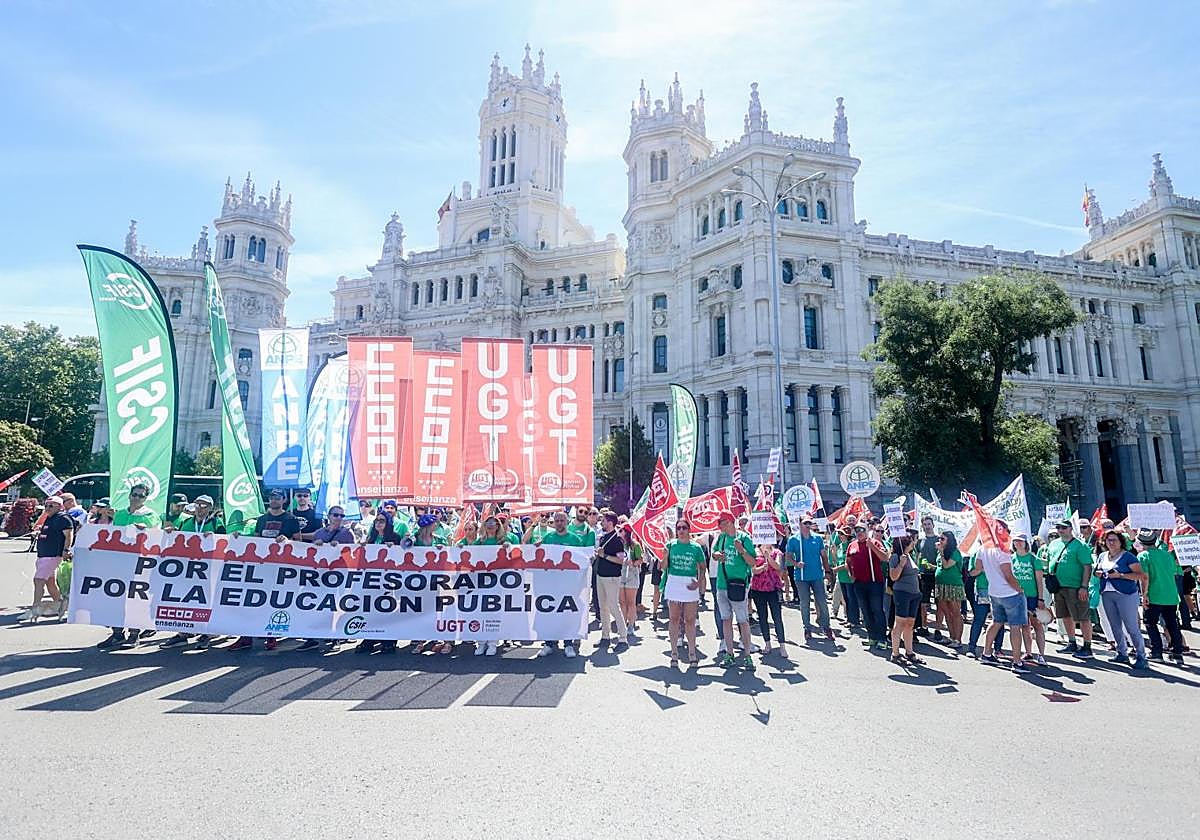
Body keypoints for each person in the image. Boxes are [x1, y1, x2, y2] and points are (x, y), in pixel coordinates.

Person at [228, 490, 301, 652]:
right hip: (261, 566)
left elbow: (299, 542)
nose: (274, 500)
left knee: (273, 602)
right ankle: (246, 637)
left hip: (280, 567)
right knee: (252, 601)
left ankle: (271, 635)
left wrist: (288, 541)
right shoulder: (262, 519)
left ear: (284, 500)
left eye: (277, 498)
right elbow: (256, 540)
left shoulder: (291, 519)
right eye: (271, 498)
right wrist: (240, 538)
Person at [97, 484, 161, 649]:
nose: (136, 498)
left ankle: (134, 634)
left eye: (140, 496)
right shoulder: (120, 514)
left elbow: (157, 538)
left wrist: (146, 531)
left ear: (146, 498)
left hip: (140, 563)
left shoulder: (150, 516)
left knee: (135, 599)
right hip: (119, 562)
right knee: (116, 597)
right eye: (134, 494)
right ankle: (117, 633)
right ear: (129, 495)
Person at [536, 511, 587, 658]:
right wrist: (536, 547)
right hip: (551, 583)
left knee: (567, 613)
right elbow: (540, 557)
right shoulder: (548, 538)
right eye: (557, 520)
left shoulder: (575, 539)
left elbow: (582, 559)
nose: (559, 523)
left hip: (569, 584)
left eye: (562, 520)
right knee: (550, 613)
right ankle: (549, 643)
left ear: (567, 521)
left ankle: (568, 644)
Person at [1095, 530, 1148, 669]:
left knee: (1131, 626)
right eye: (1108, 540)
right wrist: (1099, 573)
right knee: (1114, 625)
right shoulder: (1102, 556)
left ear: (1120, 542)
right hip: (1107, 593)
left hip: (1126, 594)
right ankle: (1122, 653)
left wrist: (1120, 575)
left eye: (1114, 540)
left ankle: (1141, 656)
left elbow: (1140, 575)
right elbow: (1096, 570)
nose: (1111, 543)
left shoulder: (1128, 557)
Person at [712, 511, 756, 670]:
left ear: (729, 522)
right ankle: (729, 654)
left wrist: (742, 550)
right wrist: (717, 555)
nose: (719, 526)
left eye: (721, 523)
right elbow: (714, 554)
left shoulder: (744, 538)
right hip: (722, 584)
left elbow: (752, 562)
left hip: (738, 586)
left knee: (743, 621)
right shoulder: (721, 538)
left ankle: (747, 656)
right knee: (726, 620)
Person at [978, 535, 1029, 673]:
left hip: (994, 591)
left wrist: (992, 574)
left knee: (996, 622)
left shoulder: (983, 548)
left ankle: (986, 653)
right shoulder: (1003, 550)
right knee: (1015, 627)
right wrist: (1019, 589)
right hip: (1009, 593)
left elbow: (978, 567)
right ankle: (1017, 662)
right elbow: (1008, 575)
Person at [1047, 519, 1095, 658]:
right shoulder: (1054, 544)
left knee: (1083, 617)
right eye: (1058, 527)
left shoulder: (1080, 545)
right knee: (1065, 616)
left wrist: (1084, 586)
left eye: (1064, 527)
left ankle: (1087, 646)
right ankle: (1072, 642)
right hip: (1058, 587)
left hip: (1076, 587)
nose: (1060, 530)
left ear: (1070, 528)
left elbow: (1087, 567)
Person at [21, 496, 73, 622]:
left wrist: (66, 550)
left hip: (52, 555)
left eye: (51, 506)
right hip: (44, 554)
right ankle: (60, 604)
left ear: (60, 506)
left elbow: (68, 535)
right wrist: (39, 533)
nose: (47, 508)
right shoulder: (50, 518)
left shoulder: (63, 518)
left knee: (38, 580)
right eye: (46, 505)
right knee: (50, 582)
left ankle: (35, 609)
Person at [1138, 529, 1185, 665]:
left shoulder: (1143, 556)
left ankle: (1156, 652)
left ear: (1141, 543)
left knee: (1150, 623)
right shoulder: (1167, 555)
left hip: (1154, 595)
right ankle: (1178, 653)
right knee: (1172, 624)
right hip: (1170, 595)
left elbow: (1144, 578)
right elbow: (1174, 572)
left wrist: (1144, 595)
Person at [663, 519, 706, 667]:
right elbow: (663, 567)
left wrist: (699, 582)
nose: (681, 530)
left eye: (684, 528)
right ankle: (674, 653)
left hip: (689, 584)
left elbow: (702, 567)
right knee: (674, 619)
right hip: (674, 582)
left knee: (690, 620)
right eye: (678, 528)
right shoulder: (670, 545)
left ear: (689, 530)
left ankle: (692, 653)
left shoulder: (696, 547)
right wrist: (664, 555)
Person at [786, 518, 833, 642]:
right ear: (800, 524)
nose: (808, 525)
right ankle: (807, 628)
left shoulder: (817, 538)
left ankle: (827, 627)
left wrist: (827, 571)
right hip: (801, 577)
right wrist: (796, 564)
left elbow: (824, 556)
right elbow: (788, 557)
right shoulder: (793, 539)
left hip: (817, 576)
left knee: (822, 602)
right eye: (805, 523)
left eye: (809, 523)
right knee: (805, 603)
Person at [847, 523, 890, 651]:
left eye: (862, 529)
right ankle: (872, 637)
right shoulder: (852, 545)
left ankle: (882, 639)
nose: (859, 532)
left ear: (867, 530)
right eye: (857, 530)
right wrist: (850, 574)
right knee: (865, 611)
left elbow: (885, 558)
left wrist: (873, 547)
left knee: (877, 610)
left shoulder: (875, 542)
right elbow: (848, 561)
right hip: (859, 583)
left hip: (874, 582)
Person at [1009, 534, 1047, 666]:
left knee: (1037, 625)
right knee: (1024, 625)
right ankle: (1028, 652)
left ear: (1026, 543)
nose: (1018, 544)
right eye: (1016, 541)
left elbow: (1039, 581)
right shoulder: (1011, 558)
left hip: (1032, 596)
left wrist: (1040, 598)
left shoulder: (1033, 559)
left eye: (1021, 541)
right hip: (1017, 596)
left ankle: (1041, 654)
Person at [594, 511, 630, 652]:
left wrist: (605, 556)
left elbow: (621, 560)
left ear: (610, 522)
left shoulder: (617, 540)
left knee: (613, 606)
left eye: (603, 520)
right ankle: (605, 636)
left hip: (612, 577)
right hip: (601, 575)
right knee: (603, 607)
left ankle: (623, 638)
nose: (601, 523)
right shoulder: (604, 537)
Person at [888, 532, 925, 665]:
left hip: (914, 593)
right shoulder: (896, 557)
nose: (913, 543)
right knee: (900, 623)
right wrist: (901, 565)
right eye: (911, 541)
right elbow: (893, 576)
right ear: (905, 544)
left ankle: (909, 652)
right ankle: (895, 653)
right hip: (902, 593)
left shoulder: (909, 555)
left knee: (910, 624)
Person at [750, 545, 789, 659]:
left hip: (773, 588)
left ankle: (782, 645)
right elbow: (753, 570)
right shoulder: (755, 552)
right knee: (762, 617)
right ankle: (767, 643)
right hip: (758, 589)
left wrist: (768, 557)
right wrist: (762, 568)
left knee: (777, 617)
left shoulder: (777, 552)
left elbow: (778, 567)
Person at [933, 531, 965, 648]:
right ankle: (952, 637)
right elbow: (940, 566)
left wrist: (941, 552)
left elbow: (947, 565)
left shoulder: (955, 552)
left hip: (953, 585)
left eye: (942, 539)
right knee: (946, 612)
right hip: (941, 584)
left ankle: (958, 639)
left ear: (949, 541)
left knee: (955, 612)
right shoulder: (940, 552)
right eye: (939, 538)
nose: (940, 541)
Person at [830, 525, 860, 630]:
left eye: (842, 534)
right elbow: (837, 561)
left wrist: (837, 569)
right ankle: (849, 619)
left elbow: (849, 563)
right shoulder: (839, 546)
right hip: (842, 577)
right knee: (846, 599)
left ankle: (854, 620)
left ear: (847, 536)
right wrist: (833, 552)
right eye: (839, 533)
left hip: (849, 577)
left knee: (852, 599)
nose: (839, 535)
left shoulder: (851, 546)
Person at [915, 516, 940, 635]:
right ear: (922, 526)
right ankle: (924, 627)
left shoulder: (939, 539)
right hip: (924, 575)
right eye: (925, 524)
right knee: (924, 603)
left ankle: (938, 629)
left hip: (937, 575)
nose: (927, 526)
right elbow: (916, 556)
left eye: (929, 524)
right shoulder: (920, 541)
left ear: (933, 525)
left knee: (939, 603)